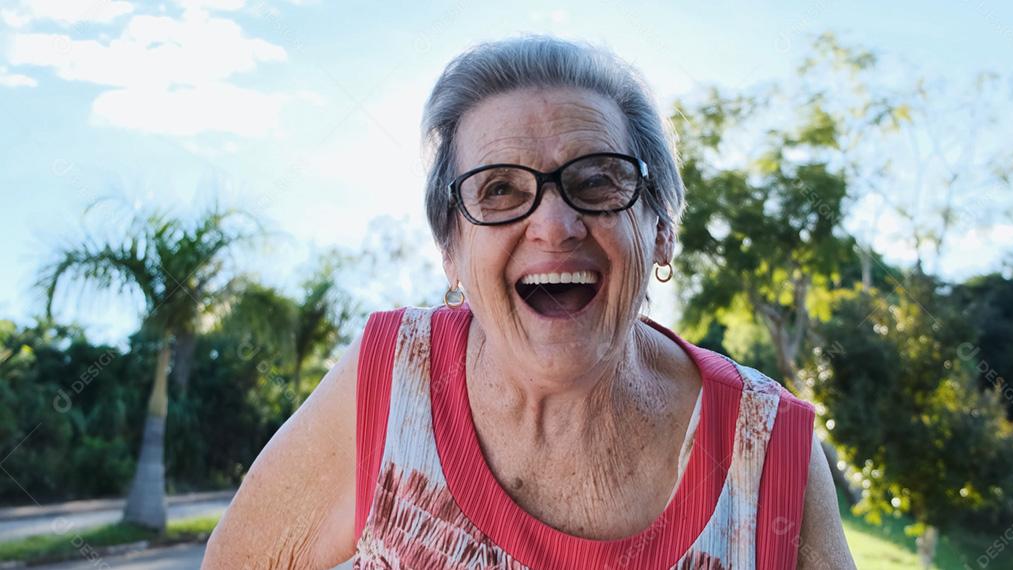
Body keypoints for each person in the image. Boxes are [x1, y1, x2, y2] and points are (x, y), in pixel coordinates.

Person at [204, 35, 856, 569]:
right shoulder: (389, 381)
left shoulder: (770, 452)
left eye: (597, 180)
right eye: (499, 191)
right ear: (452, 252)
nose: (554, 225)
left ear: (660, 231)